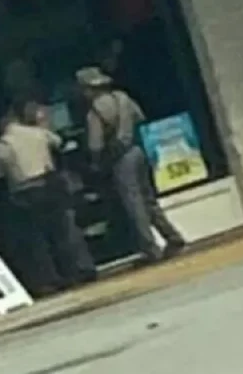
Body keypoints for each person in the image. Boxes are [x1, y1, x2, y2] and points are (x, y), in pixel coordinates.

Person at [77, 66, 186, 263]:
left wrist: (96, 163)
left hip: (119, 159)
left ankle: (150, 249)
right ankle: (172, 236)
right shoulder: (123, 98)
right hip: (137, 151)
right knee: (148, 199)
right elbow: (140, 117)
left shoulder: (95, 111)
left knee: (133, 204)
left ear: (88, 89)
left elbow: (95, 144)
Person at [0, 100, 97, 296]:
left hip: (25, 193)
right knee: (63, 231)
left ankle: (51, 279)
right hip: (49, 184)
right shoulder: (38, 133)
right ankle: (78, 270)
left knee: (37, 239)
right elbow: (61, 143)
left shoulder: (1, 146)